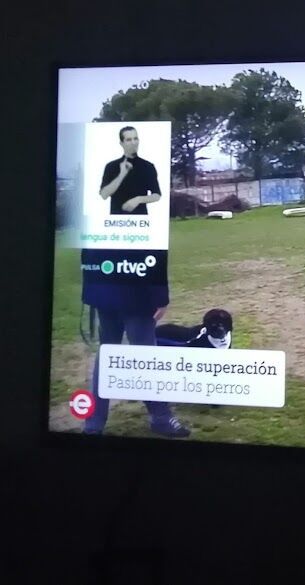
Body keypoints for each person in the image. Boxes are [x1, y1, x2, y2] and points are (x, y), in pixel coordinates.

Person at [81, 257, 191, 437]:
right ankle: (160, 417)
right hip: (133, 291)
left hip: (106, 287)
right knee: (145, 357)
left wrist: (92, 286)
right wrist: (161, 296)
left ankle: (94, 423)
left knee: (109, 354)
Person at [100, 126, 162, 215]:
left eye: (135, 139)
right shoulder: (111, 166)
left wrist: (138, 199)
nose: (133, 143)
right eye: (129, 140)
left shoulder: (148, 166)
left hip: (140, 221)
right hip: (116, 221)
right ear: (121, 143)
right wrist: (121, 175)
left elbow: (157, 195)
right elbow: (104, 195)